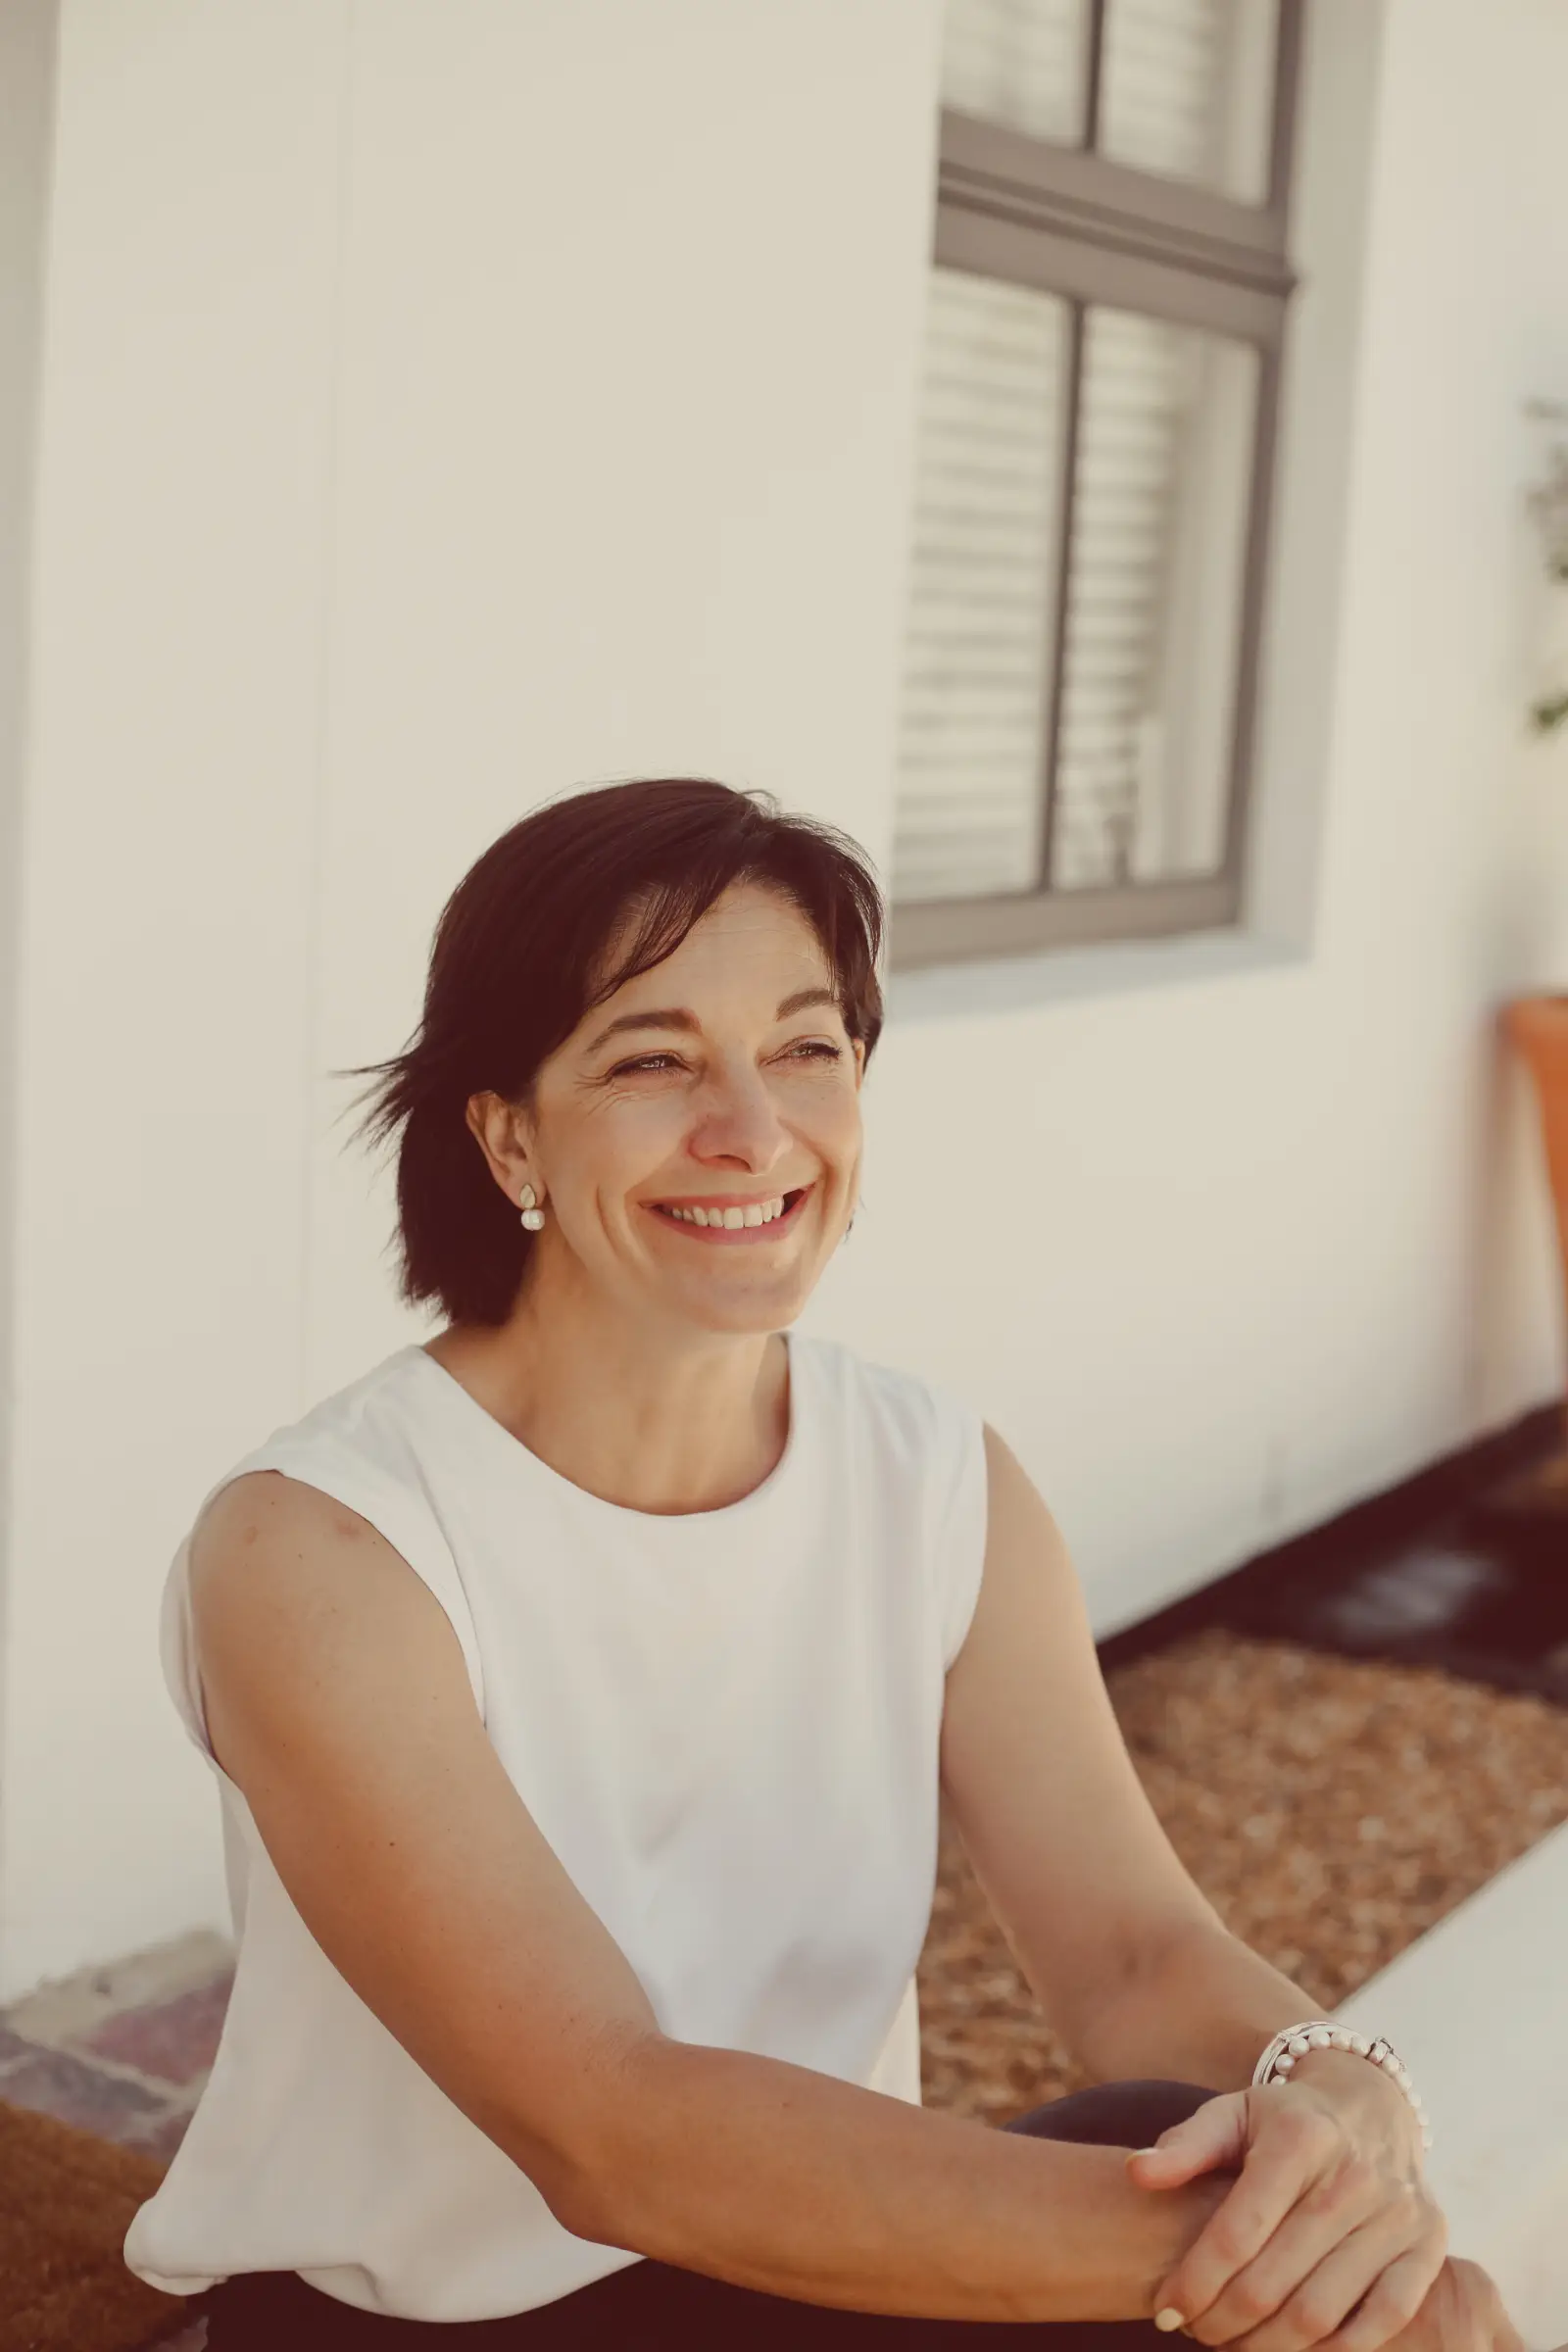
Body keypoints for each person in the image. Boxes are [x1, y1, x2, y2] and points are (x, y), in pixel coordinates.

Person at [122, 780, 1518, 2348]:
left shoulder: (934, 1481)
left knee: (1415, 2304)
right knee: (1394, 2316)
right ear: (508, 1131)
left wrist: (1333, 2089)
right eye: (653, 1059)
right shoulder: (323, 1545)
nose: (752, 1129)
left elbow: (1132, 1955)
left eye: (805, 1049)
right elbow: (610, 2129)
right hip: (433, 2322)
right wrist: (1278, 2259)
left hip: (794, 2266)